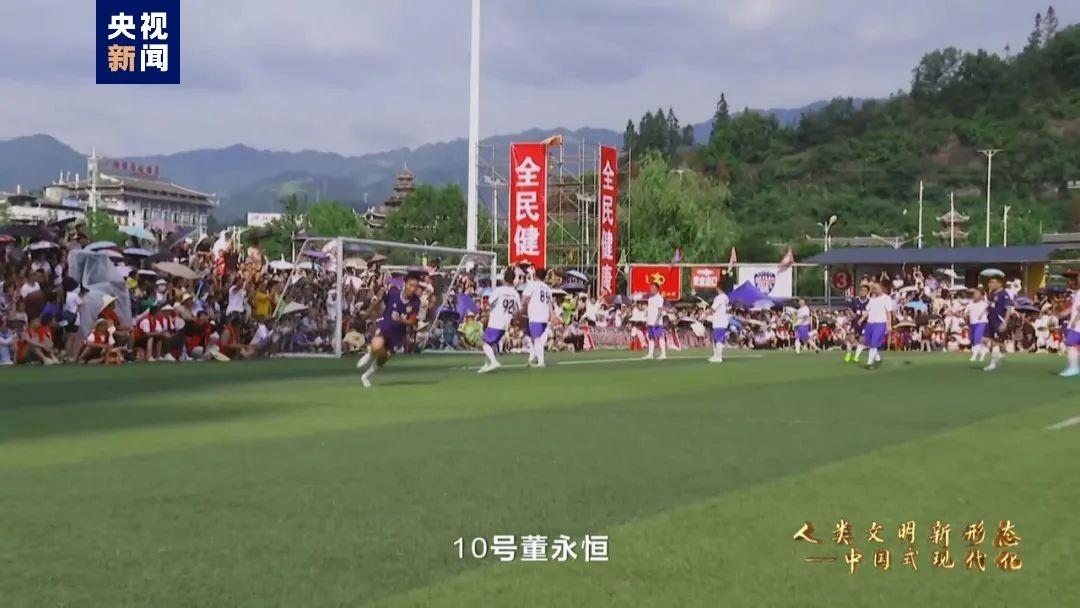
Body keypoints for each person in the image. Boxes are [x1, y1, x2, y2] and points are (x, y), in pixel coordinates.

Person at [356, 271, 424, 388]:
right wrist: (366, 313)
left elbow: (412, 321)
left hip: (398, 335)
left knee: (384, 358)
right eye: (411, 285)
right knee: (377, 345)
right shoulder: (393, 294)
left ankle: (366, 376)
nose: (413, 289)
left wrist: (401, 320)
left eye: (415, 286)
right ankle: (370, 353)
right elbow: (379, 299)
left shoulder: (415, 302)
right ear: (405, 283)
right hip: (385, 327)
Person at [478, 268, 522, 374]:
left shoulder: (499, 290)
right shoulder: (515, 293)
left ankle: (493, 362)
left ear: (504, 279)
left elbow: (489, 303)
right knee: (491, 342)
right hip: (505, 323)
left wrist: (485, 309)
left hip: (496, 320)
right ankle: (487, 364)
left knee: (483, 341)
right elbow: (519, 310)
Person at [521, 267, 555, 367]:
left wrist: (522, 308)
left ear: (535, 275)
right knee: (534, 339)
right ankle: (532, 359)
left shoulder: (532, 285)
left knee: (536, 339)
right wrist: (552, 314)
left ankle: (541, 361)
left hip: (535, 315)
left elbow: (525, 298)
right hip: (545, 316)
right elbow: (550, 303)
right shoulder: (547, 288)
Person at [983, 274, 1014, 372]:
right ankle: (1001, 354)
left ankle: (993, 364)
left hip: (999, 321)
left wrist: (1005, 322)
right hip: (991, 320)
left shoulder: (1004, 294)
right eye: (990, 282)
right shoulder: (992, 294)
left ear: (1000, 284)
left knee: (995, 342)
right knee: (986, 339)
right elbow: (990, 306)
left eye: (993, 282)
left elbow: (1008, 308)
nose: (990, 284)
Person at [860, 282, 894, 368]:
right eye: (873, 288)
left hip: (880, 324)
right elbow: (868, 310)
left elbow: (888, 312)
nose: (874, 290)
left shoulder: (886, 298)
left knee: (874, 342)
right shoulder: (872, 299)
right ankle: (878, 359)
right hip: (870, 323)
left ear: (880, 288)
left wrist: (889, 324)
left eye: (875, 288)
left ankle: (869, 363)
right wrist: (862, 319)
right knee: (869, 343)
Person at [845, 285, 869, 363]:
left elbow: (870, 311)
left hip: (865, 323)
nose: (862, 292)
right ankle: (848, 354)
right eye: (861, 290)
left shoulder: (869, 302)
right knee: (850, 338)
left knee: (862, 339)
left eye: (864, 291)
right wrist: (852, 313)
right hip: (855, 322)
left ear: (867, 292)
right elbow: (849, 307)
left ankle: (856, 357)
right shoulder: (855, 300)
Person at [642, 282, 667, 360]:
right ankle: (650, 354)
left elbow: (660, 310)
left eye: (653, 288)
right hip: (650, 321)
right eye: (651, 288)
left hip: (657, 322)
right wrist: (647, 320)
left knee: (660, 337)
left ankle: (663, 354)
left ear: (657, 289)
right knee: (651, 338)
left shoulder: (659, 298)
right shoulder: (650, 299)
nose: (651, 289)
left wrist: (657, 320)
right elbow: (649, 311)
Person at [966, 288, 990, 364]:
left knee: (977, 338)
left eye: (977, 293)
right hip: (972, 324)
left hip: (981, 323)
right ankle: (983, 352)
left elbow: (988, 309)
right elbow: (966, 313)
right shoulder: (970, 304)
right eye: (974, 293)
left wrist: (982, 314)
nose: (975, 295)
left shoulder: (984, 304)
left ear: (981, 296)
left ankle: (974, 355)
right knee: (972, 340)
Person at [1059, 289, 1080, 377]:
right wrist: (1064, 313)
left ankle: (1073, 368)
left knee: (1070, 343)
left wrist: (1076, 319)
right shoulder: (1078, 292)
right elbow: (1074, 307)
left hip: (1077, 325)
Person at [708, 286, 730, 363]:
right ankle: (716, 355)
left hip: (719, 321)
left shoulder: (719, 298)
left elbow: (713, 309)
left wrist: (705, 314)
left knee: (719, 339)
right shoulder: (726, 297)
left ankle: (719, 357)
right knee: (715, 339)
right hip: (721, 321)